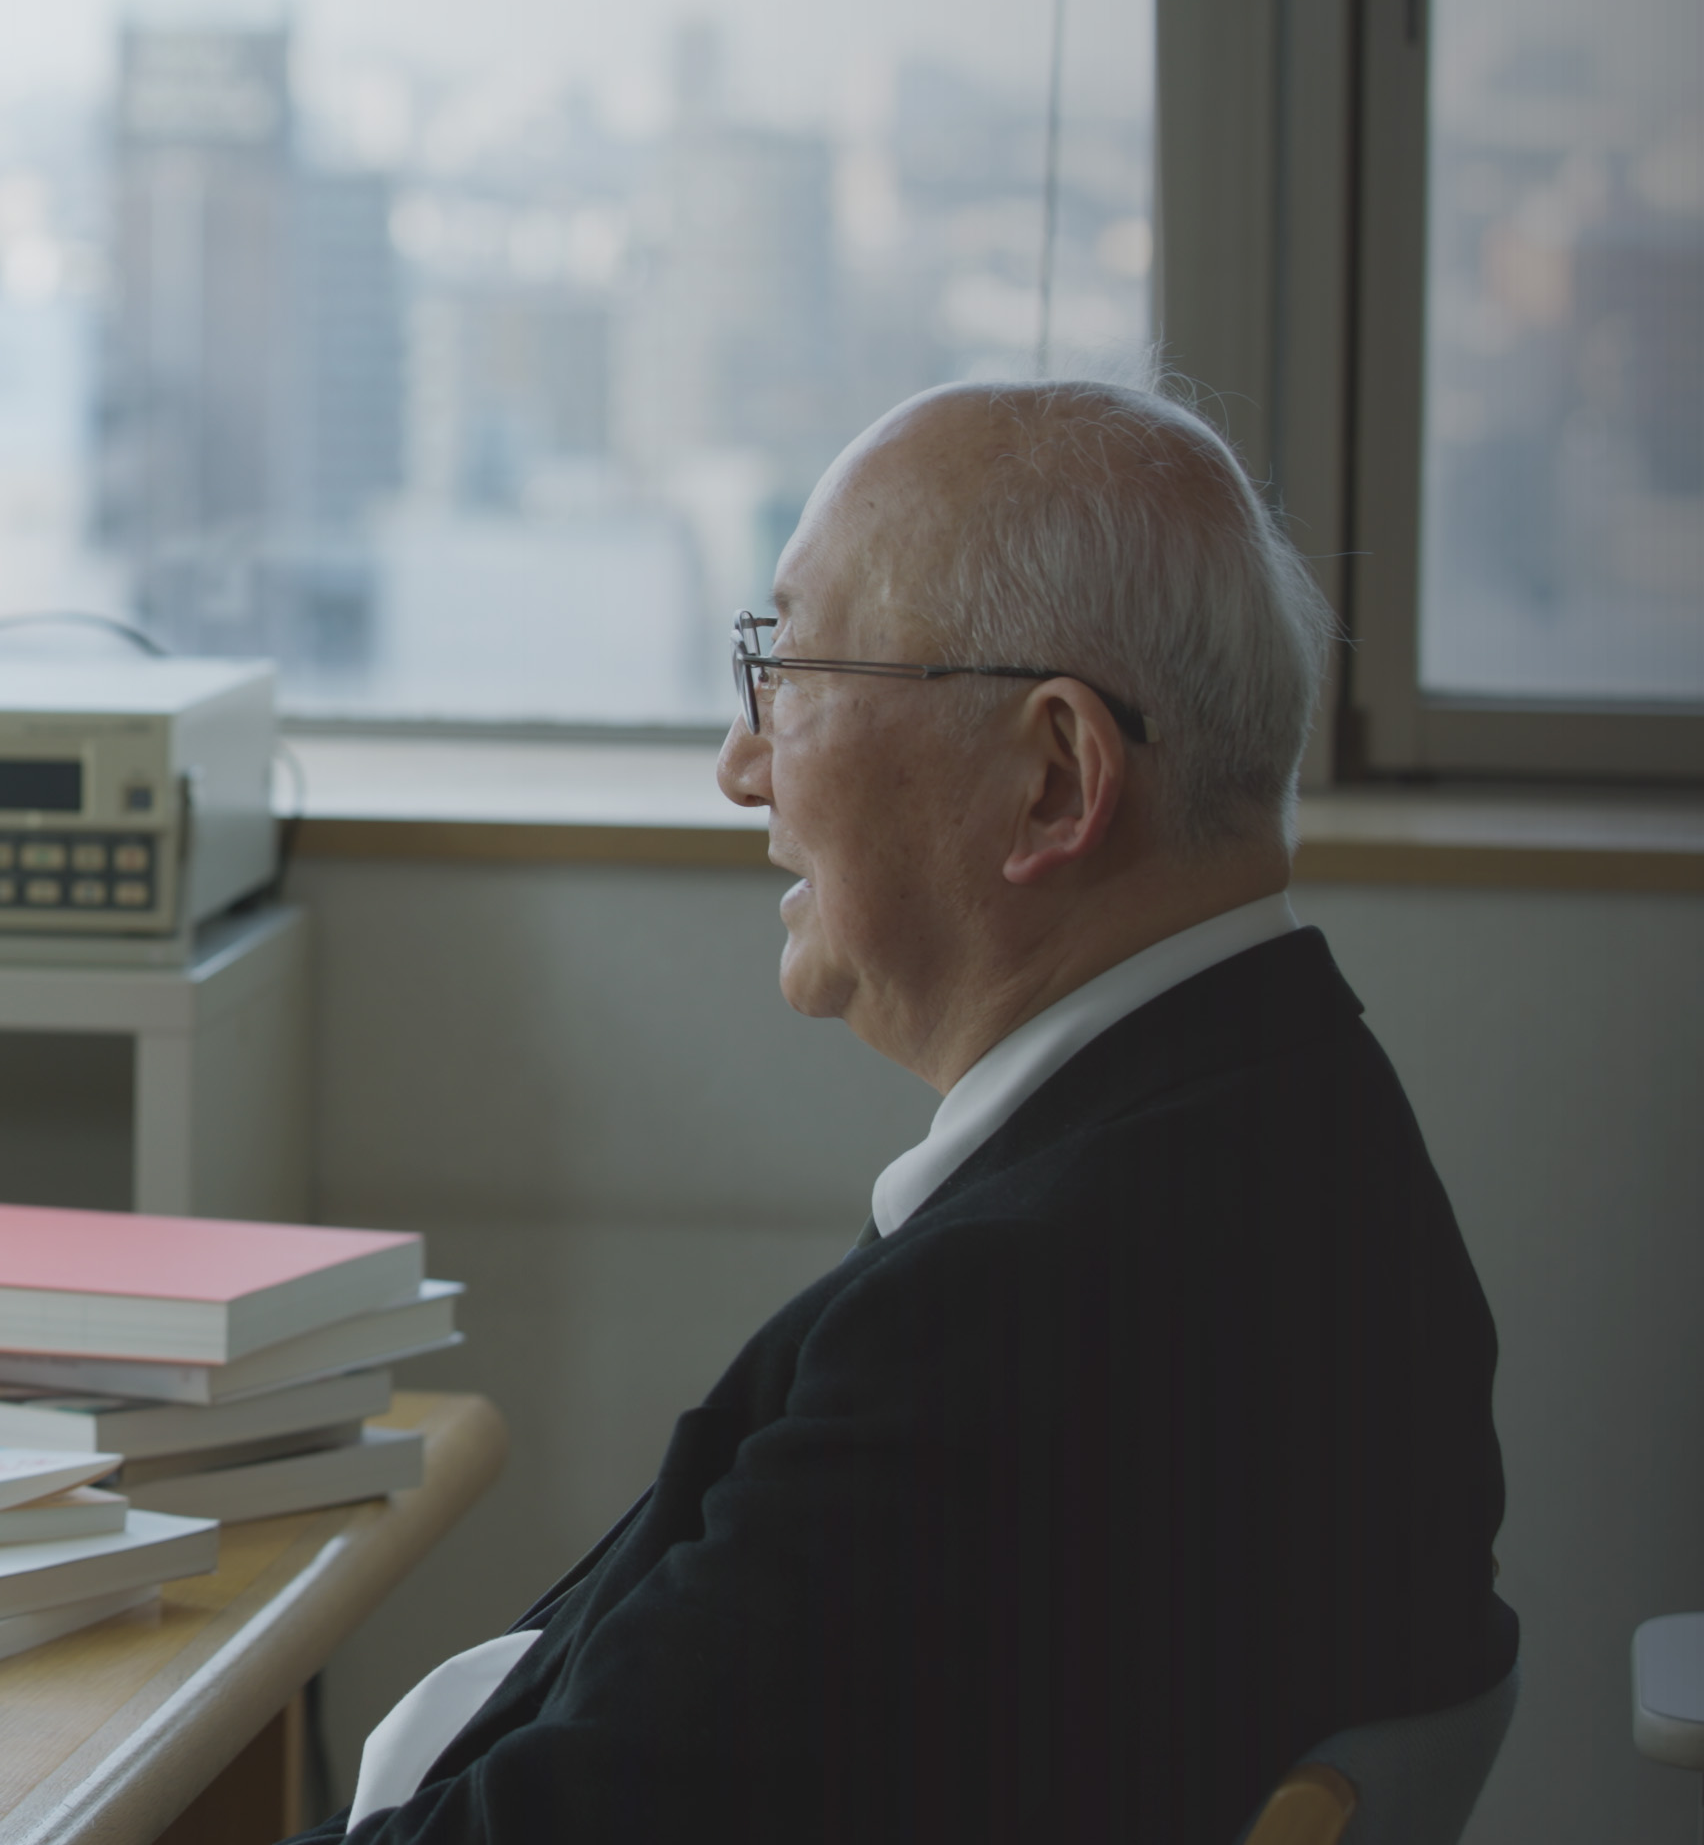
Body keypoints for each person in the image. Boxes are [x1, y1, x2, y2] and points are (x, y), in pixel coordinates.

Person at [308, 381, 1514, 1842]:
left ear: (1054, 781)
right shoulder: (1292, 1121)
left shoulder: (1029, 1311)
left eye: (795, 673)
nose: (740, 766)